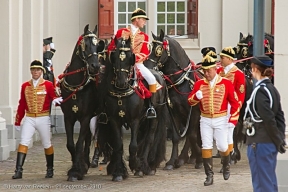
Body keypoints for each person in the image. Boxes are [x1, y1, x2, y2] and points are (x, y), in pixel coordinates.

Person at [188, 55, 239, 186]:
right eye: (204, 71)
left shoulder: (226, 83)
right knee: (206, 146)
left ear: (215, 69)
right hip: (205, 119)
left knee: (222, 146)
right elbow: (190, 101)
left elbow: (235, 103)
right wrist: (196, 97)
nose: (206, 73)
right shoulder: (199, 84)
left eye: (208, 71)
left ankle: (226, 164)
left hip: (221, 118)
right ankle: (209, 175)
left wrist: (232, 120)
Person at [12, 60, 63, 179]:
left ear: (41, 71)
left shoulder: (48, 84)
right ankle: (18, 170)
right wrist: (18, 121)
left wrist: (56, 100)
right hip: (29, 117)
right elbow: (22, 104)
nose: (35, 72)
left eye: (38, 70)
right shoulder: (25, 86)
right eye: (33, 70)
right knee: (23, 141)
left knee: (47, 143)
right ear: (31, 71)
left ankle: (50, 169)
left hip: (43, 117)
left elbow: (54, 96)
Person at [244, 55, 286, 192]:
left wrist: (278, 140)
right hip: (268, 143)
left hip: (260, 142)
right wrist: (279, 139)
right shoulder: (272, 89)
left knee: (262, 185)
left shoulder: (261, 91)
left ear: (255, 69)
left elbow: (268, 119)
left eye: (252, 69)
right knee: (269, 181)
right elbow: (280, 117)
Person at [105, 8, 157, 118]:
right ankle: (103, 108)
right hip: (120, 65)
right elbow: (111, 48)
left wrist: (132, 59)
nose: (145, 22)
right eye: (143, 19)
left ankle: (150, 106)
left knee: (152, 79)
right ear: (136, 19)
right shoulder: (121, 32)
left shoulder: (144, 36)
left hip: (137, 64)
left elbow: (145, 53)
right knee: (104, 80)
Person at [218, 46, 246, 166]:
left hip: (230, 107)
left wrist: (236, 109)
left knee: (228, 132)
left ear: (229, 59)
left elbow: (240, 94)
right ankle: (228, 153)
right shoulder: (219, 71)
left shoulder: (238, 74)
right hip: (219, 106)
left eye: (223, 58)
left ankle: (229, 157)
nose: (221, 60)